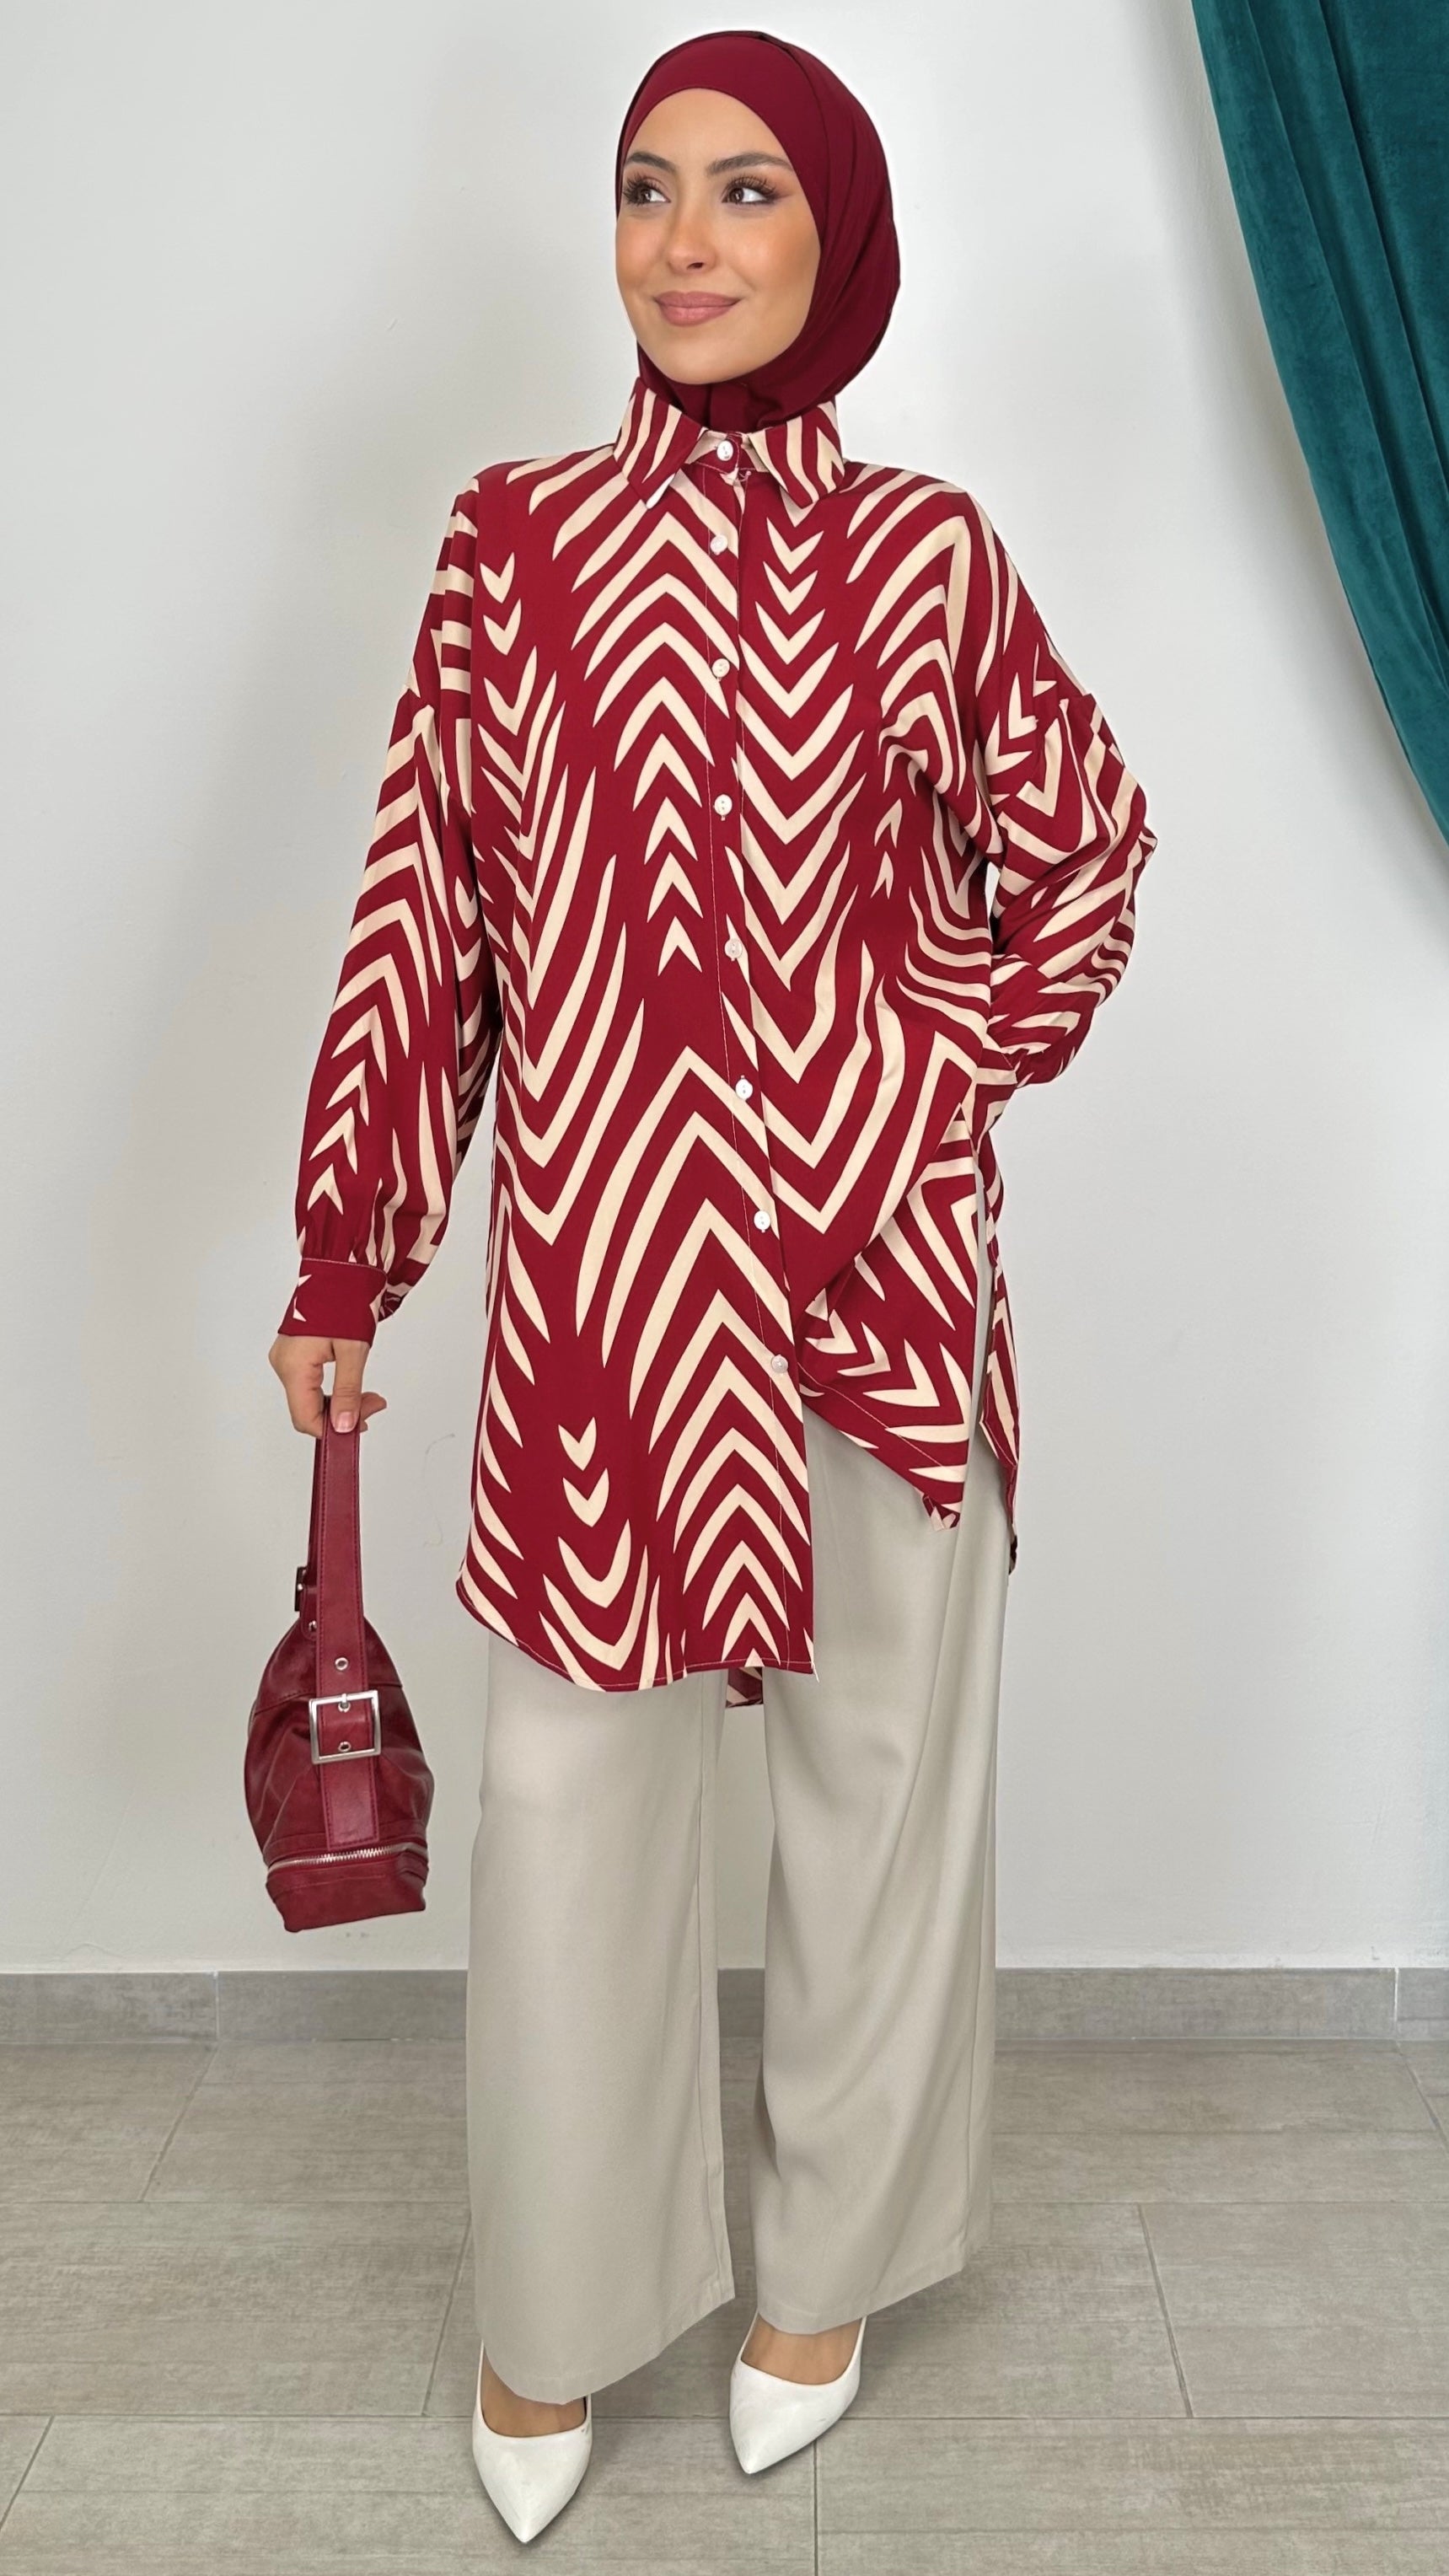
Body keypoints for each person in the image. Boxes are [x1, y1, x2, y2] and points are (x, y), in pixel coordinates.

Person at [269, 27, 1156, 2546]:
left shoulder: (933, 559)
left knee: (880, 1798)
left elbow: (1088, 847)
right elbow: (428, 914)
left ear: (836, 235)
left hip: (877, 1296)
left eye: (748, 191)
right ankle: (553, 2308)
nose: (683, 241)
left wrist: (919, 1065)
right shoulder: (514, 545)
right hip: (606, 1304)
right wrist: (351, 1240)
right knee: (570, 1811)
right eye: (647, 186)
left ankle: (825, 2276)